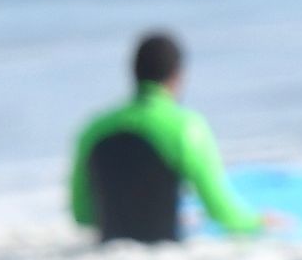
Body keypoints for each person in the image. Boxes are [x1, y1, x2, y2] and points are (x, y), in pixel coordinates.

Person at [70, 32, 267, 244]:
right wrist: (258, 222)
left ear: (134, 73)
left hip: (109, 256)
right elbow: (221, 212)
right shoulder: (185, 128)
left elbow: (82, 215)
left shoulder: (94, 129)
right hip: (167, 256)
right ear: (177, 75)